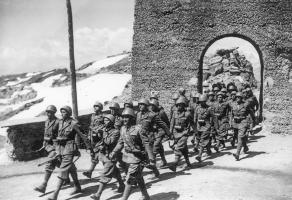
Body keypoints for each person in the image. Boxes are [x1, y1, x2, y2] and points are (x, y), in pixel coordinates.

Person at [47, 106, 93, 200]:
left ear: (69, 113)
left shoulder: (74, 123)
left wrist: (89, 147)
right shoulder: (60, 122)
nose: (62, 114)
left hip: (69, 148)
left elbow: (83, 135)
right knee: (71, 168)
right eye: (61, 112)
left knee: (63, 169)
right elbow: (53, 133)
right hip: (60, 148)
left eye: (64, 112)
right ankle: (77, 187)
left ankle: (55, 194)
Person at [109, 108, 152, 200]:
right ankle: (145, 196)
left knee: (130, 178)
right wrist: (114, 151)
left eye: (127, 117)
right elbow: (120, 142)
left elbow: (146, 143)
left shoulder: (139, 128)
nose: (124, 119)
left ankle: (124, 198)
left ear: (132, 118)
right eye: (123, 117)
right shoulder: (122, 129)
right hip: (128, 157)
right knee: (139, 177)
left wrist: (151, 158)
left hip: (138, 158)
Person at [90, 114, 125, 200]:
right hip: (104, 155)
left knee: (105, 173)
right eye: (104, 120)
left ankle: (98, 194)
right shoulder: (103, 129)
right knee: (115, 171)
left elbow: (110, 142)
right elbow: (96, 140)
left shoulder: (116, 131)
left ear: (112, 122)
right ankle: (122, 185)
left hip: (112, 155)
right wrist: (95, 134)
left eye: (107, 120)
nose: (105, 122)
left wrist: (101, 135)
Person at [136, 98, 170, 177]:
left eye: (142, 105)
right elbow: (136, 126)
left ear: (146, 106)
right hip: (140, 139)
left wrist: (169, 134)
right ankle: (155, 171)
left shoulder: (152, 115)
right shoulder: (138, 114)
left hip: (149, 139)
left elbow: (163, 124)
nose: (140, 106)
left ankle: (135, 177)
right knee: (144, 158)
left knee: (144, 159)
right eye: (139, 104)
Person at [34, 105, 61, 194]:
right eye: (47, 112)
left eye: (50, 112)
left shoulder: (58, 122)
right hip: (48, 146)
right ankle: (68, 178)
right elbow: (46, 133)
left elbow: (61, 135)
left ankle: (43, 185)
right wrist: (44, 144)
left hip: (56, 146)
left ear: (54, 113)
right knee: (61, 164)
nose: (48, 114)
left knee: (50, 163)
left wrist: (58, 149)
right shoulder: (46, 122)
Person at [168, 97, 195, 172]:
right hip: (176, 134)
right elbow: (172, 123)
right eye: (178, 105)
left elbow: (192, 124)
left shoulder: (187, 114)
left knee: (178, 148)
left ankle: (174, 165)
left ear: (184, 106)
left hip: (184, 134)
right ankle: (188, 163)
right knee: (184, 149)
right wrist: (170, 133)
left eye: (181, 105)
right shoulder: (175, 113)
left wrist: (196, 133)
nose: (179, 107)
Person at [230, 92, 255, 161]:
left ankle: (237, 154)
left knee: (240, 137)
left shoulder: (245, 105)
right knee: (241, 137)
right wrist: (231, 123)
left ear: (241, 98)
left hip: (243, 122)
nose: (238, 98)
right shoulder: (233, 104)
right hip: (235, 123)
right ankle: (245, 147)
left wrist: (251, 125)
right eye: (237, 97)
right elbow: (231, 114)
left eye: (239, 97)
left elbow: (251, 114)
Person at [83, 101, 104, 179]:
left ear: (101, 108)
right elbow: (91, 126)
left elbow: (104, 126)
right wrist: (89, 135)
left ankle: (90, 171)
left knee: (100, 155)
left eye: (97, 106)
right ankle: (90, 172)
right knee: (93, 155)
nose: (95, 108)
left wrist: (98, 130)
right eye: (94, 106)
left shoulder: (103, 116)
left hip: (99, 138)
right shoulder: (92, 116)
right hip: (92, 138)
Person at [148, 99, 170, 167]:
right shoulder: (150, 113)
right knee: (159, 147)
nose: (151, 107)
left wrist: (168, 133)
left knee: (155, 146)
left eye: (153, 105)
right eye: (150, 105)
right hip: (154, 132)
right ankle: (164, 161)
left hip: (161, 131)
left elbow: (166, 123)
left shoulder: (161, 112)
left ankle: (151, 163)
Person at [194, 95, 214, 163]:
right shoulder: (197, 108)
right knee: (202, 139)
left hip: (206, 126)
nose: (201, 103)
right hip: (199, 127)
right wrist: (194, 128)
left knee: (203, 140)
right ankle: (208, 150)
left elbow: (213, 117)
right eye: (200, 102)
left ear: (205, 101)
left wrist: (212, 126)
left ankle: (199, 156)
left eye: (203, 102)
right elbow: (195, 118)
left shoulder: (209, 108)